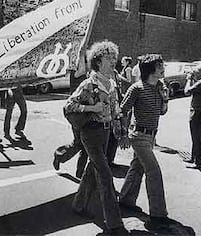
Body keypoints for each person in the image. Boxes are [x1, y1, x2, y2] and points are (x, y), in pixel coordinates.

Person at [66, 40, 129, 236]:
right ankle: (114, 225)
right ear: (99, 61)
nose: (114, 62)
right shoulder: (88, 84)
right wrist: (91, 108)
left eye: (115, 58)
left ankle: (78, 205)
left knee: (93, 170)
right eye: (110, 59)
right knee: (104, 174)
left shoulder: (111, 83)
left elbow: (116, 109)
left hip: (107, 132)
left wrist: (122, 132)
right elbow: (69, 106)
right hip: (91, 133)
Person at [119, 54, 172, 231]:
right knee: (154, 172)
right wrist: (123, 134)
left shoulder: (160, 87)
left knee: (137, 167)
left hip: (151, 137)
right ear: (150, 70)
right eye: (160, 66)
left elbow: (163, 112)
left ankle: (125, 200)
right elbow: (123, 111)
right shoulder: (137, 88)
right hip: (138, 136)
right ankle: (158, 215)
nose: (163, 68)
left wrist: (165, 98)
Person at [183, 66, 201, 169]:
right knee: (195, 136)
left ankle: (199, 162)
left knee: (197, 137)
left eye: (194, 73)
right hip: (199, 111)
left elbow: (186, 91)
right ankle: (193, 157)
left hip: (198, 112)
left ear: (199, 74)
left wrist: (189, 79)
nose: (193, 75)